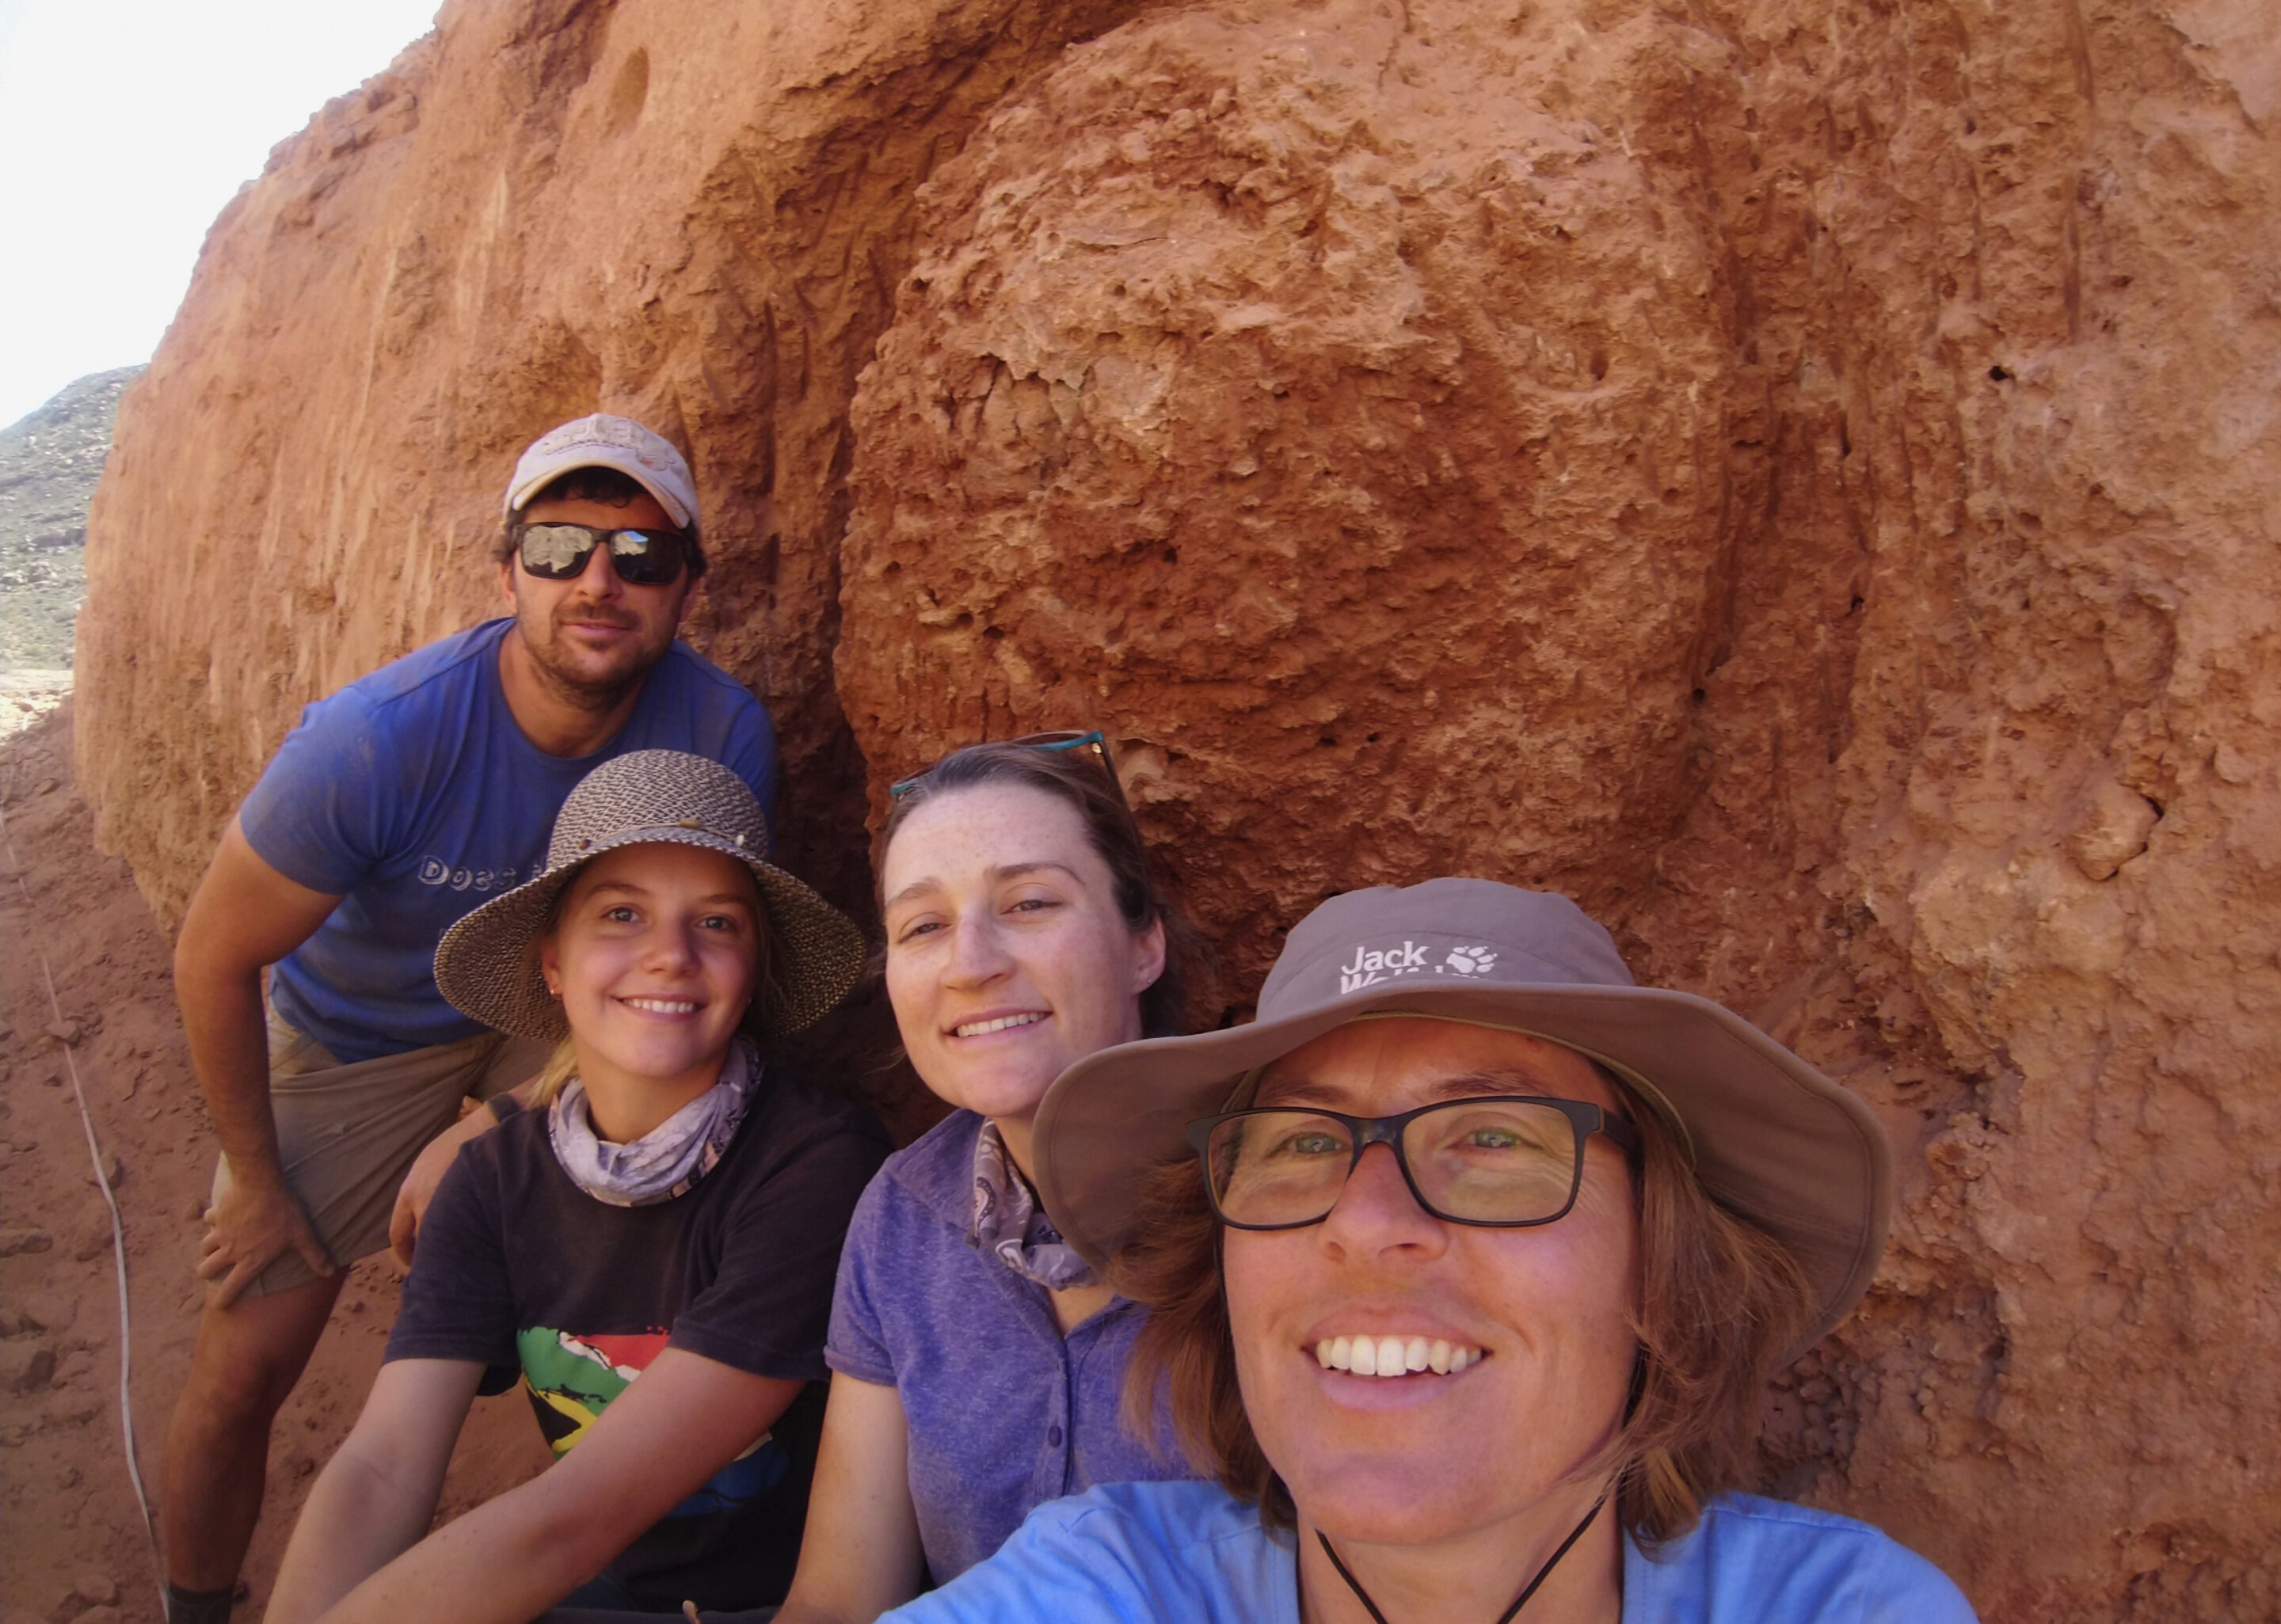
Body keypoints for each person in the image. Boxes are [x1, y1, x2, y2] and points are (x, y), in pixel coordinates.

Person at [882, 878, 1981, 1622]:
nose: (1363, 1222)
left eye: (1495, 1138)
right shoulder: (1108, 1583)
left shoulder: (1840, 1606)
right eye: (1301, 1142)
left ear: (1664, 1266)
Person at [162, 415, 779, 1624]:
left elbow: (697, 964)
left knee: (647, 1162)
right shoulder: (377, 739)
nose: (599, 580)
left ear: (689, 590)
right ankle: (193, 1605)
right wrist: (253, 1171)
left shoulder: (719, 731)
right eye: (561, 546)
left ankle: (604, 1480)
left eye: (642, 554)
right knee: (245, 1363)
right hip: (357, 1032)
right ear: (509, 574)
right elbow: (214, 955)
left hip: (554, 1014)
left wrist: (493, 1120)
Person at [266, 749, 887, 1622]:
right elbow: (384, 1462)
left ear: (754, 971)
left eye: (717, 923)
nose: (669, 955)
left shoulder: (816, 1166)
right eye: (622, 913)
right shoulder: (491, 1180)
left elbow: (579, 1514)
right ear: (553, 962)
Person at [772, 733, 1200, 1624]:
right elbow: (841, 1595)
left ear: (1144, 943)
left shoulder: (1278, 1212)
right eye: (924, 925)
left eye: (1031, 901)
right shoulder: (902, 1214)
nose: (972, 962)